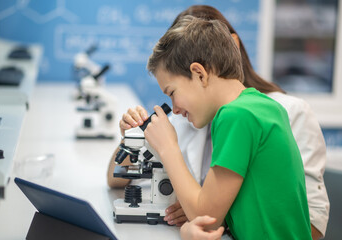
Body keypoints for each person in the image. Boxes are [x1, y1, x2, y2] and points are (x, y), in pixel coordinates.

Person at [107, 5, 329, 239]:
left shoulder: (235, 116)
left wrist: (168, 146)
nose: (174, 108)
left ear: (199, 73)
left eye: (172, 92)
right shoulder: (264, 107)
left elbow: (206, 219)